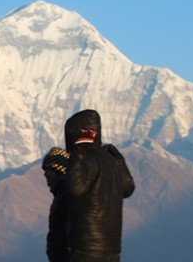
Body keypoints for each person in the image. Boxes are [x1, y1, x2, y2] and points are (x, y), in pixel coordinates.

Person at [56, 109, 136, 262]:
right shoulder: (110, 159)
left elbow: (74, 188)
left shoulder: (84, 158)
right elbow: (127, 189)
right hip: (111, 247)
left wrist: (77, 153)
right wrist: (120, 162)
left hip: (86, 247)